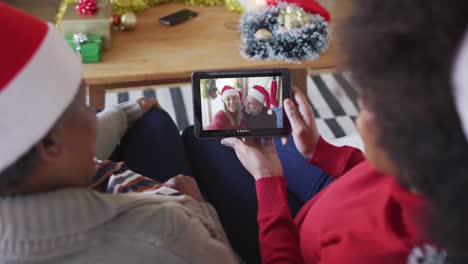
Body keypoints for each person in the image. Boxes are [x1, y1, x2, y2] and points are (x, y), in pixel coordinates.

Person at [184, 0, 468, 263]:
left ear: (418, 142)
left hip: (288, 235)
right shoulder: (429, 173)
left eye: (371, 102)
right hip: (331, 197)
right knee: (223, 136)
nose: (360, 104)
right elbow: (373, 172)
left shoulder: (368, 252)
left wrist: (268, 180)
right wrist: (320, 151)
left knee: (196, 139)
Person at [0, 4, 239, 263]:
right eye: (84, 102)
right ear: (48, 143)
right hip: (181, 214)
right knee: (194, 137)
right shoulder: (165, 234)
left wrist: (121, 115)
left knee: (152, 118)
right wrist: (195, 206)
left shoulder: (24, 163)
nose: (94, 114)